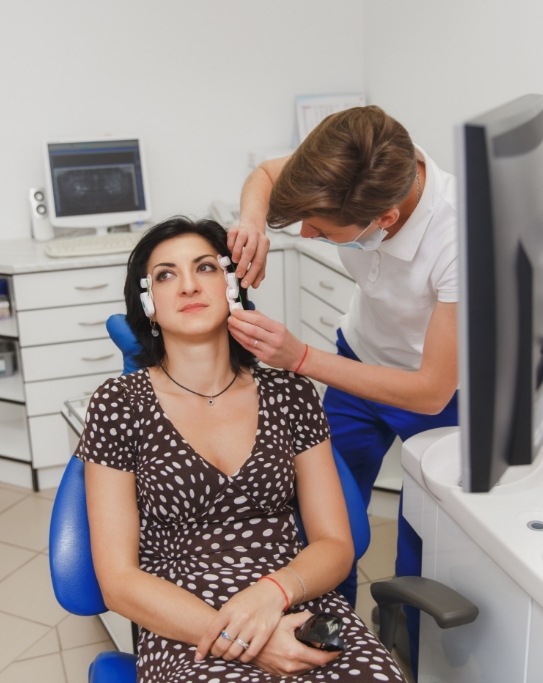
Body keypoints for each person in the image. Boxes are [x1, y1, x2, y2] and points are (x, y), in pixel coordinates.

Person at [75, 216, 406, 683]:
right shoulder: (118, 403)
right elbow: (120, 581)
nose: (188, 285)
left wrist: (271, 593)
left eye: (206, 267)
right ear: (148, 304)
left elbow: (335, 541)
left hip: (293, 600)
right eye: (166, 275)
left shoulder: (289, 392)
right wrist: (245, 640)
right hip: (185, 624)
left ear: (232, 284)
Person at [225, 105, 459, 678]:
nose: (306, 236)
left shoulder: (460, 239)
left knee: (421, 549)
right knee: (323, 517)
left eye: (322, 232)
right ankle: (320, 648)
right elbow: (263, 177)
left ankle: (411, 657)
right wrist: (254, 223)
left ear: (384, 217)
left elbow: (429, 391)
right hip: (358, 358)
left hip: (438, 394)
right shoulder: (360, 158)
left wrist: (300, 358)